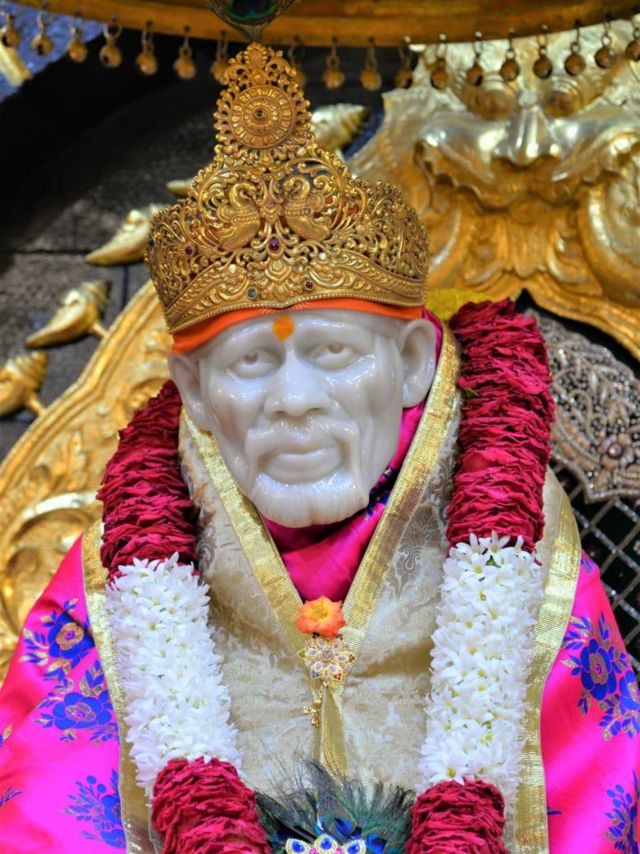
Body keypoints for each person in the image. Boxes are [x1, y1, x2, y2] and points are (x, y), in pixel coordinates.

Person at [0, 43, 639, 854]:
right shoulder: (115, 573)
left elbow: (601, 806)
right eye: (250, 363)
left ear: (413, 363)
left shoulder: (522, 541)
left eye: (333, 353)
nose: (294, 399)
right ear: (193, 389)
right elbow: (47, 814)